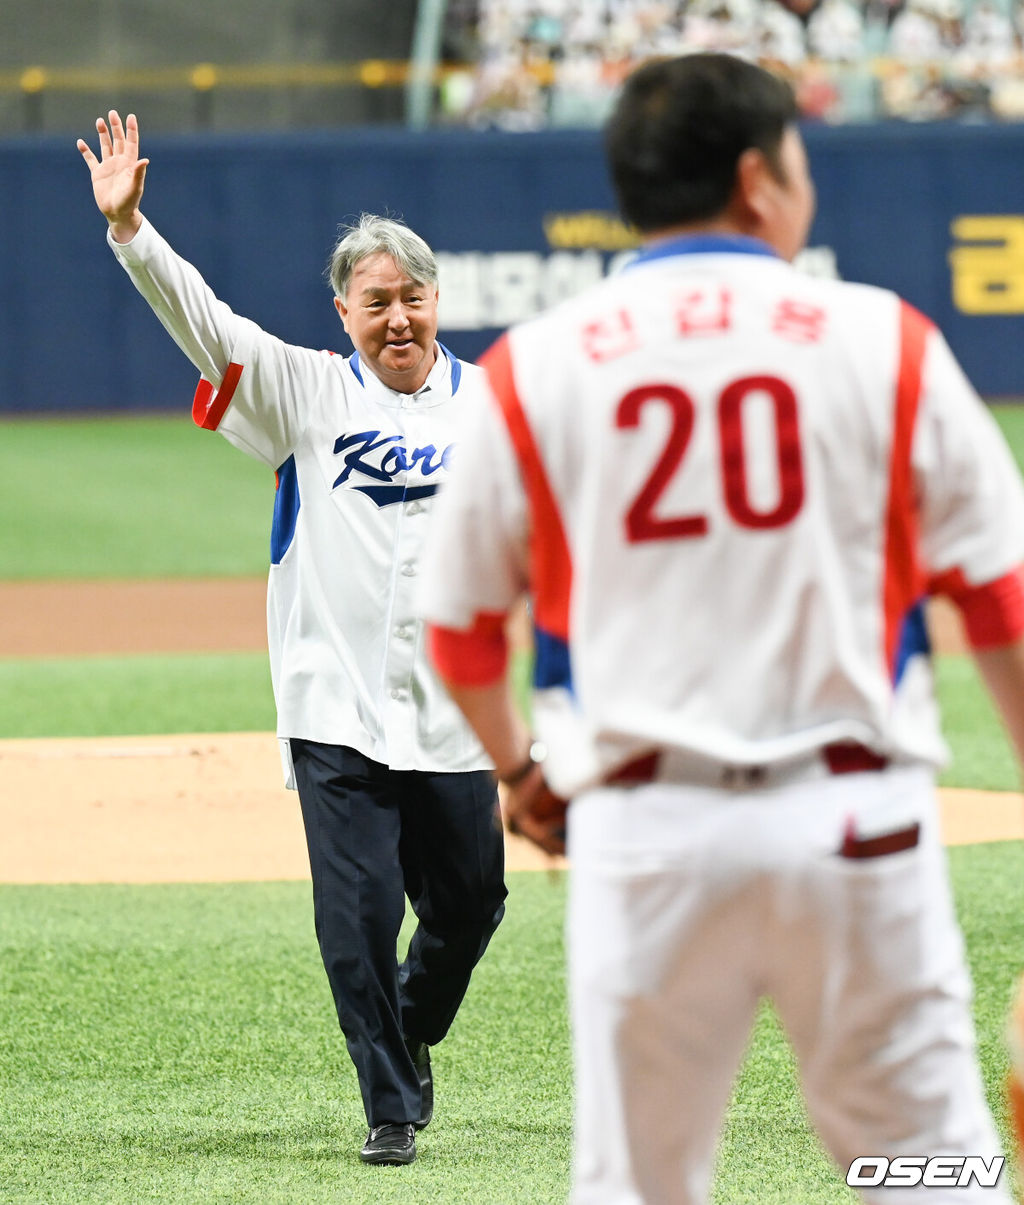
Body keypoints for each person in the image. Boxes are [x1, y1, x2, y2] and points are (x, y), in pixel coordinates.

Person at [418, 52, 1024, 1204]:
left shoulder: (532, 365)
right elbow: (999, 600)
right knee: (928, 1174)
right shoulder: (881, 339)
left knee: (640, 1185)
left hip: (646, 834)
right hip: (858, 829)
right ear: (758, 177)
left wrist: (516, 768)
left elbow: (455, 624)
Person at [77, 111, 507, 1168]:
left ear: (436, 302)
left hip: (453, 710)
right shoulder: (304, 393)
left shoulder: (497, 409)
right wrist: (132, 230)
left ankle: (413, 1022)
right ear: (344, 313)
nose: (396, 318)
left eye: (411, 298)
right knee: (354, 921)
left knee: (470, 903)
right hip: (336, 706)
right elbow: (205, 321)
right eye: (376, 303)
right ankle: (391, 1102)